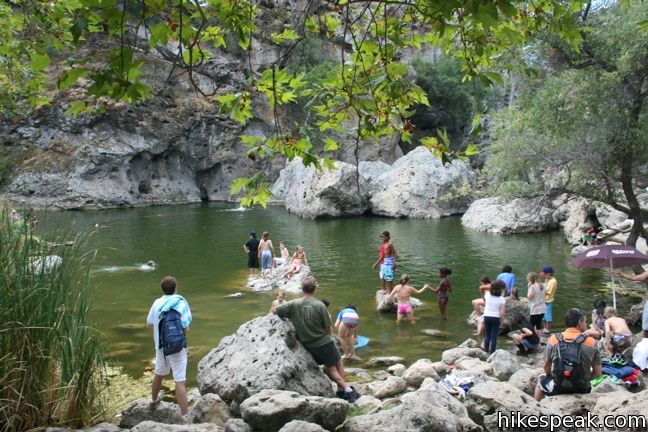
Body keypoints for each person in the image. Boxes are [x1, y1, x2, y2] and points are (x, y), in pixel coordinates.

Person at [273, 277, 360, 402]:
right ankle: (347, 390)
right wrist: (331, 338)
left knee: (332, 366)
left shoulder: (294, 303)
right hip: (322, 341)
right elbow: (328, 328)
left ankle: (341, 389)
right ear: (315, 289)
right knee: (336, 365)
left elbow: (276, 310)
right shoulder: (320, 305)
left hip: (307, 343)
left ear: (302, 289)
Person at [146, 276, 192, 416]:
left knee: (159, 374)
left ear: (162, 289)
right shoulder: (180, 302)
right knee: (179, 380)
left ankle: (153, 401)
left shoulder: (157, 303)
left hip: (161, 347)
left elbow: (149, 322)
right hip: (177, 346)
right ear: (176, 288)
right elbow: (186, 328)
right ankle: (184, 416)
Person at [534, 308, 602, 401]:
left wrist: (549, 375)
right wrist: (584, 380)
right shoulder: (592, 342)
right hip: (582, 389)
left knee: (540, 383)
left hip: (559, 388)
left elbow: (546, 365)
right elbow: (598, 373)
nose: (586, 324)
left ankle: (536, 408)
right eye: (585, 322)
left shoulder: (554, 339)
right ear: (579, 322)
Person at [482, 280, 506, 353]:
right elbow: (502, 313)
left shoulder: (487, 295)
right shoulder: (502, 299)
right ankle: (492, 353)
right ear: (500, 289)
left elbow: (484, 290)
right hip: (496, 318)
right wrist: (502, 321)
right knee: (494, 336)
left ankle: (486, 351)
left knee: (487, 335)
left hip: (486, 316)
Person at [526, 272, 546, 337]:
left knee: (531, 325)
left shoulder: (533, 287)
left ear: (530, 279)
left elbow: (529, 297)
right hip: (543, 308)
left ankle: (532, 340)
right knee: (538, 325)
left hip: (535, 309)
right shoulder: (544, 285)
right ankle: (538, 342)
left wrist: (528, 288)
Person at [541, 265, 558, 335]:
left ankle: (548, 330)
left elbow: (548, 292)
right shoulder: (547, 279)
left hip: (548, 301)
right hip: (543, 301)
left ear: (548, 274)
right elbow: (545, 286)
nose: (543, 276)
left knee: (548, 317)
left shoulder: (553, 281)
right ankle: (544, 328)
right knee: (543, 317)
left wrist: (540, 289)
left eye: (544, 274)